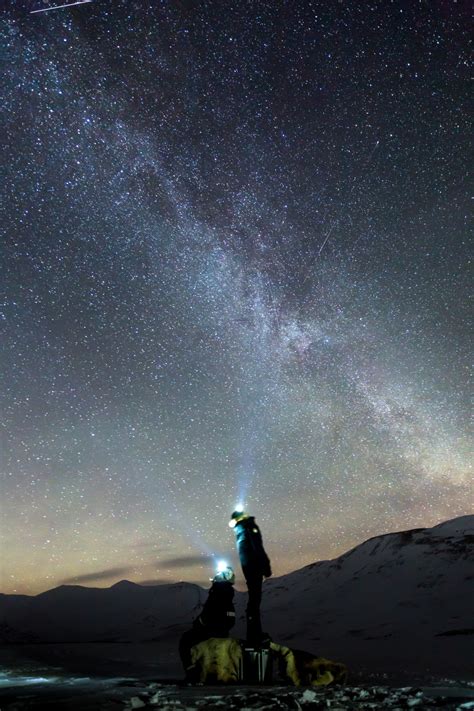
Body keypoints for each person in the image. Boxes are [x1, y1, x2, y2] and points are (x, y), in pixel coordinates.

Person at [179, 565, 236, 683]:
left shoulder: (218, 593)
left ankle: (192, 674)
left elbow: (210, 614)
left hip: (210, 631)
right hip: (218, 631)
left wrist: (200, 623)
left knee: (185, 641)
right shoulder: (224, 593)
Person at [229, 510, 272, 645]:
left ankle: (253, 633)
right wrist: (265, 567)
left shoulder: (240, 530)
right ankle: (255, 634)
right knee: (255, 602)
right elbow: (257, 547)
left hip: (248, 568)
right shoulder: (248, 527)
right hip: (255, 567)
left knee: (253, 602)